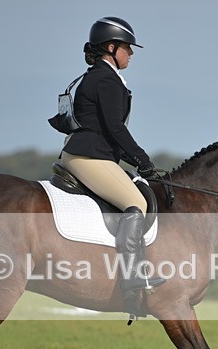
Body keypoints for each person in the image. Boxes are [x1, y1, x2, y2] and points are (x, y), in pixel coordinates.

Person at [59, 16, 164, 298]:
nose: (130, 53)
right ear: (111, 47)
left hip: (91, 155)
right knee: (136, 202)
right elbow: (115, 128)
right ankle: (132, 274)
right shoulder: (106, 80)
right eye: (127, 48)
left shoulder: (99, 77)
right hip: (89, 157)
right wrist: (143, 160)